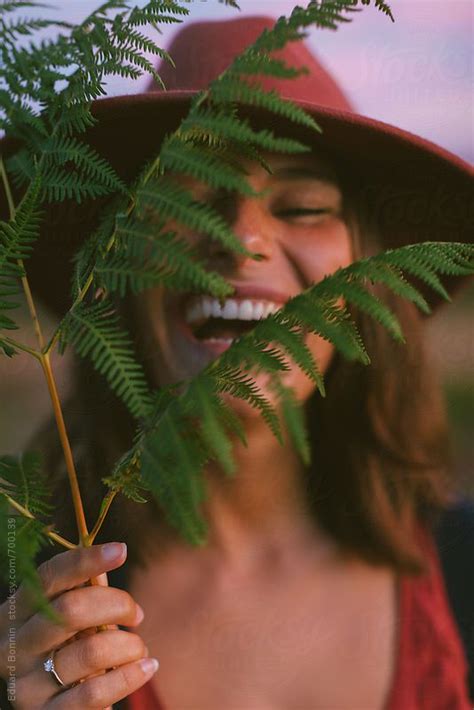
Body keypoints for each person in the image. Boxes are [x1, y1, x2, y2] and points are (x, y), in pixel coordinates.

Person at [1, 15, 473, 710]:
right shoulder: (24, 611)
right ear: (113, 266)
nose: (242, 241)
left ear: (369, 278)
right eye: (188, 196)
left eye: (304, 205)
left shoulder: (465, 569)